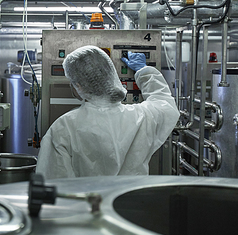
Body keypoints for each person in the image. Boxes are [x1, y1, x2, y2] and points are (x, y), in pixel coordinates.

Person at [35, 45, 179, 179]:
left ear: (78, 86)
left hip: (88, 205)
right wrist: (144, 71)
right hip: (131, 203)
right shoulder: (141, 117)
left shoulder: (63, 128)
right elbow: (165, 104)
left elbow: (53, 181)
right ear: (111, 75)